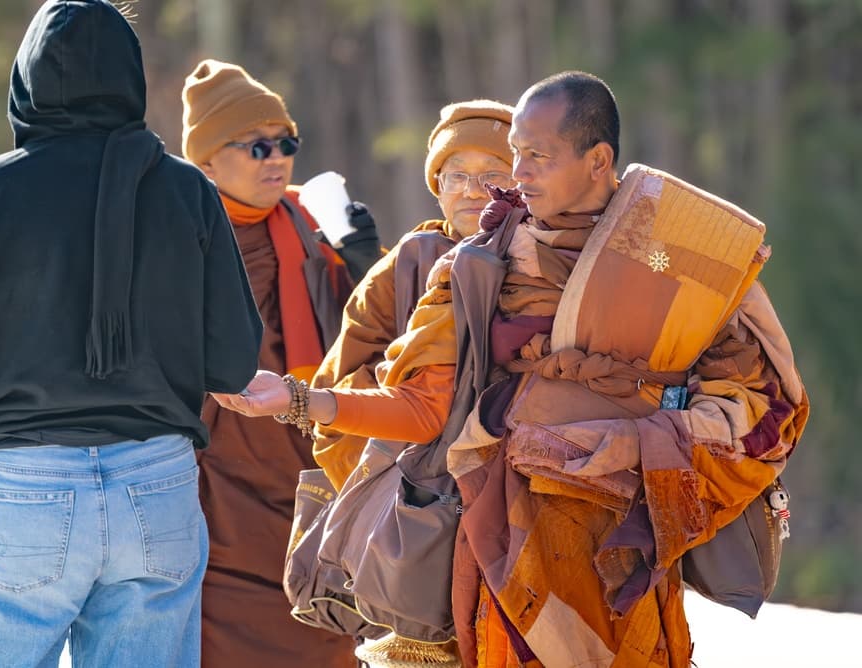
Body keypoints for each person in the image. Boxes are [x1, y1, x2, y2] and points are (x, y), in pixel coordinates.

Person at [215, 71, 809, 667]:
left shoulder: (683, 252)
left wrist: (636, 442)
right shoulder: (476, 264)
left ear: (598, 159)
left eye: (537, 156)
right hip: (501, 557)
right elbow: (424, 407)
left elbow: (760, 408)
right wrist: (298, 400)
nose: (517, 172)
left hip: (625, 561)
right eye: (517, 154)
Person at [0, 2, 262, 666]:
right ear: (129, 76)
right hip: (157, 487)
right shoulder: (186, 190)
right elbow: (234, 362)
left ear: (28, 79)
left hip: (19, 494)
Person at [180, 59, 381, 668]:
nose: (277, 158)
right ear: (206, 162)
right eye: (257, 146)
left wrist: (369, 266)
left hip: (313, 474)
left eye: (286, 143)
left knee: (323, 630)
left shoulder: (312, 225)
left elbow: (378, 343)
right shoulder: (178, 232)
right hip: (219, 489)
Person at [312, 99, 514, 492]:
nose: (473, 192)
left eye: (493, 174)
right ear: (438, 188)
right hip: (418, 491)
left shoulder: (544, 256)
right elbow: (335, 391)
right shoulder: (408, 264)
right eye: (456, 177)